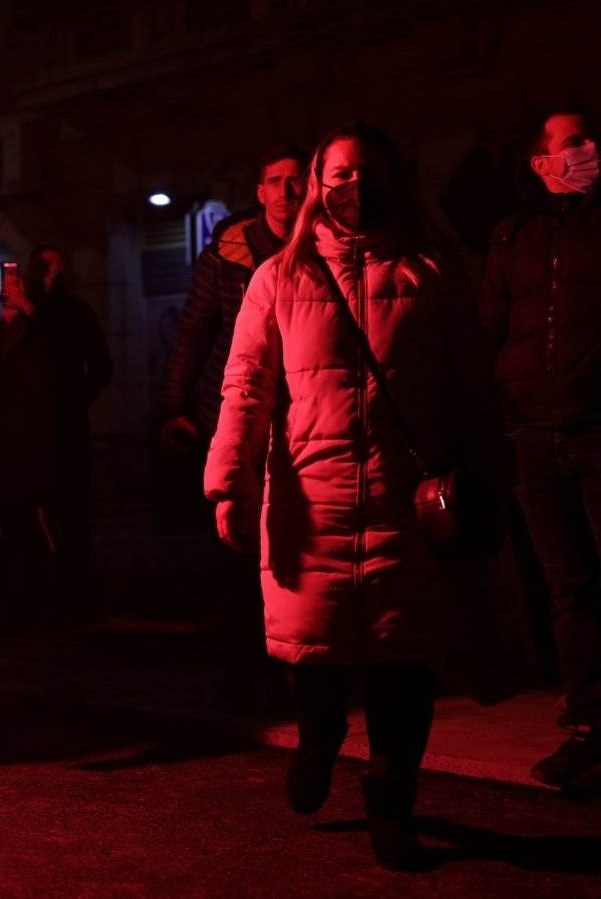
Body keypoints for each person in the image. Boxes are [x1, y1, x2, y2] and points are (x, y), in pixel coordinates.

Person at [205, 123, 497, 870]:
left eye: (365, 171)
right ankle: (319, 740)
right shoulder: (280, 277)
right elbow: (244, 387)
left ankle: (391, 799)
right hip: (311, 501)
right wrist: (228, 484)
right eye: (338, 174)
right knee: (316, 658)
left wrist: (484, 467)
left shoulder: (432, 271)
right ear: (315, 184)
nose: (353, 186)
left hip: (407, 501)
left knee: (407, 664)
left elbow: (470, 381)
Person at [481, 107, 601, 792]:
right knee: (569, 586)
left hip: (597, 427)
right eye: (574, 142)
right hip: (535, 435)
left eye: (590, 138)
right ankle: (589, 722)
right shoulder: (515, 234)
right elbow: (492, 323)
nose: (588, 150)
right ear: (540, 161)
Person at [160, 145, 306, 707]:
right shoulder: (228, 254)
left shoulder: (324, 247)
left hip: (298, 414)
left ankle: (295, 662)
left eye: (298, 180)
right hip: (231, 412)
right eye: (277, 181)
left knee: (293, 541)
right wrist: (174, 407)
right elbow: (196, 331)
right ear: (261, 192)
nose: (289, 191)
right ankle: (246, 666)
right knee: (235, 542)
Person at [0, 244, 112, 625]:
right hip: (19, 443)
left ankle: (71, 602)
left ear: (60, 270)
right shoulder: (18, 317)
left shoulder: (71, 314)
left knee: (67, 522)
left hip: (61, 440)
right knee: (21, 524)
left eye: (46, 266)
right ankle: (28, 601)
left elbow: (84, 362)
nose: (39, 273)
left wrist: (71, 404)